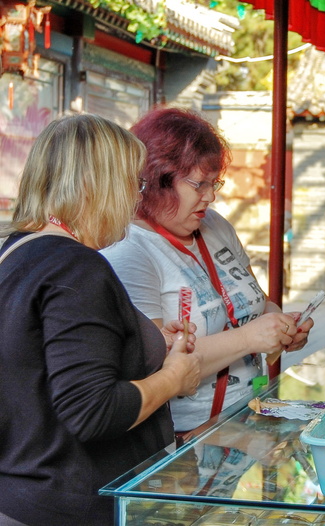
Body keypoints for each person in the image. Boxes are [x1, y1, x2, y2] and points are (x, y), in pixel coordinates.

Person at [0, 114, 202, 526]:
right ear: (97, 186)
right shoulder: (77, 267)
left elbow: (40, 363)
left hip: (20, 495)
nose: (135, 198)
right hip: (69, 504)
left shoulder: (17, 251)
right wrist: (175, 378)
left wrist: (146, 341)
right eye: (134, 183)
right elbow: (92, 411)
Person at [101, 107, 313, 439]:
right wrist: (249, 338)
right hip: (183, 435)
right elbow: (155, 362)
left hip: (243, 422)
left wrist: (282, 327)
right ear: (157, 181)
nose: (210, 197)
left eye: (214, 183)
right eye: (199, 184)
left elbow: (257, 303)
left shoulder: (215, 226)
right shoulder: (130, 249)